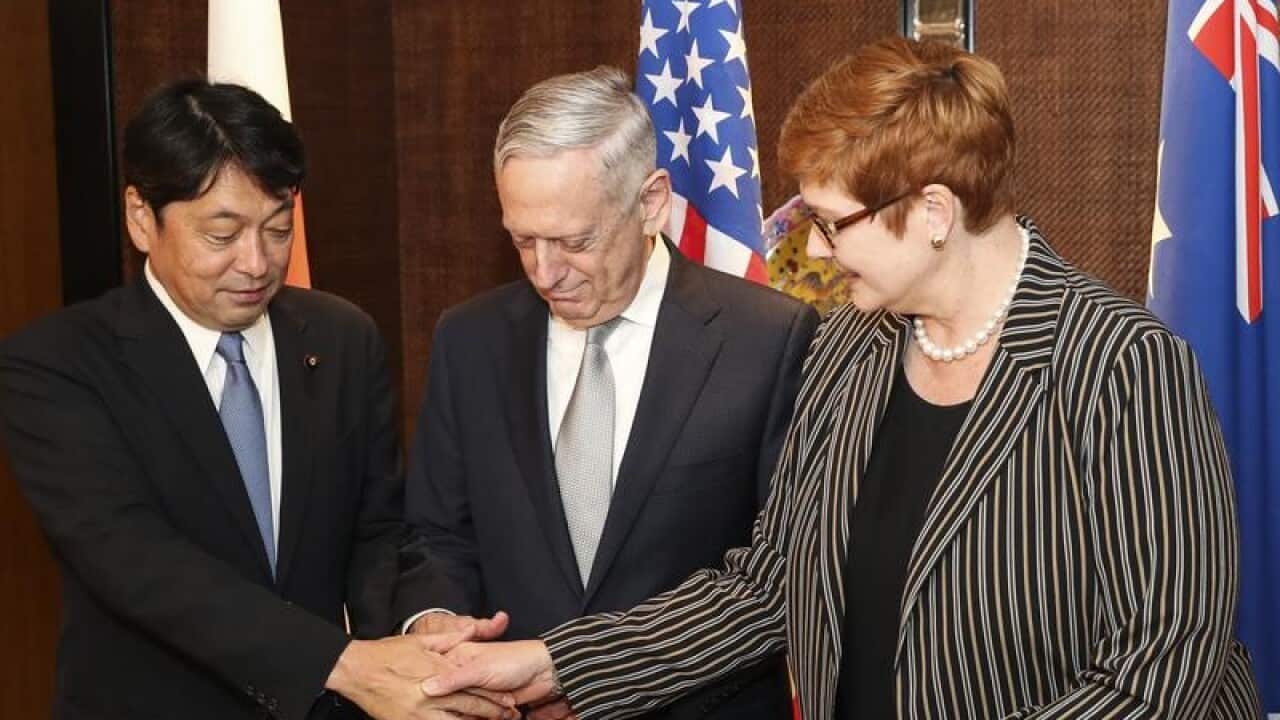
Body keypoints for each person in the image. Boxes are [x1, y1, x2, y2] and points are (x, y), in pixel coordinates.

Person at [419, 37, 1264, 719]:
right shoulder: (850, 351)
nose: (813, 250)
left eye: (829, 221)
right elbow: (767, 585)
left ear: (932, 213)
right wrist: (555, 660)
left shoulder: (1119, 364)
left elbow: (1165, 662)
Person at [0, 80, 513, 720]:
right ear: (141, 218)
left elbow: (377, 529)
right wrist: (345, 664)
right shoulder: (57, 363)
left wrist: (423, 625)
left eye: (278, 229)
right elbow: (136, 562)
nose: (256, 263)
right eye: (222, 235)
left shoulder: (340, 337)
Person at [392, 66, 817, 720]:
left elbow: (777, 578)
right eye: (521, 239)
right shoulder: (469, 339)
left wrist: (579, 671)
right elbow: (437, 531)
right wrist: (437, 621)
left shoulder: (769, 339)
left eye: (573, 241)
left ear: (650, 202)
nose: (544, 270)